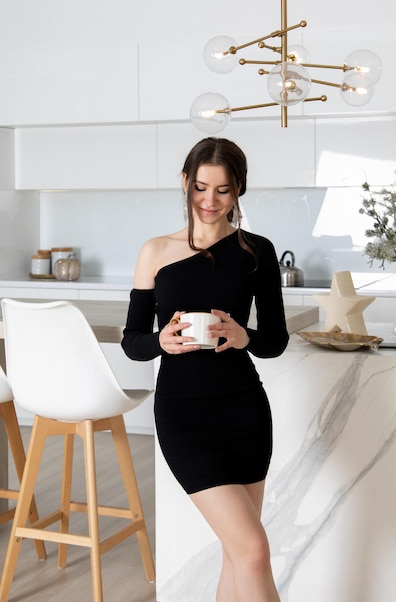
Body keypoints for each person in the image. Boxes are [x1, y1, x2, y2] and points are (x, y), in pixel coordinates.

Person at [122, 137, 289, 601]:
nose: (210, 201)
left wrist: (245, 337)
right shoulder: (155, 251)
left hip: (244, 412)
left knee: (238, 555)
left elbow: (275, 340)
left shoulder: (257, 251)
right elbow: (132, 343)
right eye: (200, 187)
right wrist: (161, 341)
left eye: (223, 190)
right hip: (184, 416)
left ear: (239, 190)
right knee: (253, 550)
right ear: (184, 183)